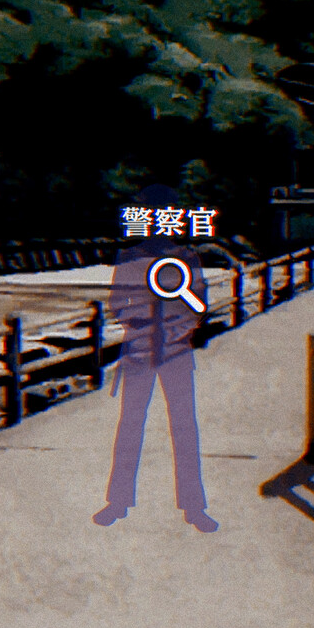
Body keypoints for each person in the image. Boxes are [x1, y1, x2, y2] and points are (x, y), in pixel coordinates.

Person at [95, 185, 217, 533]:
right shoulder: (129, 257)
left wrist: (177, 329)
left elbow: (198, 304)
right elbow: (117, 302)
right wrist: (139, 323)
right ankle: (118, 501)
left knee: (184, 426)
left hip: (176, 352)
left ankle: (194, 506)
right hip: (139, 351)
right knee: (130, 425)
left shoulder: (187, 257)